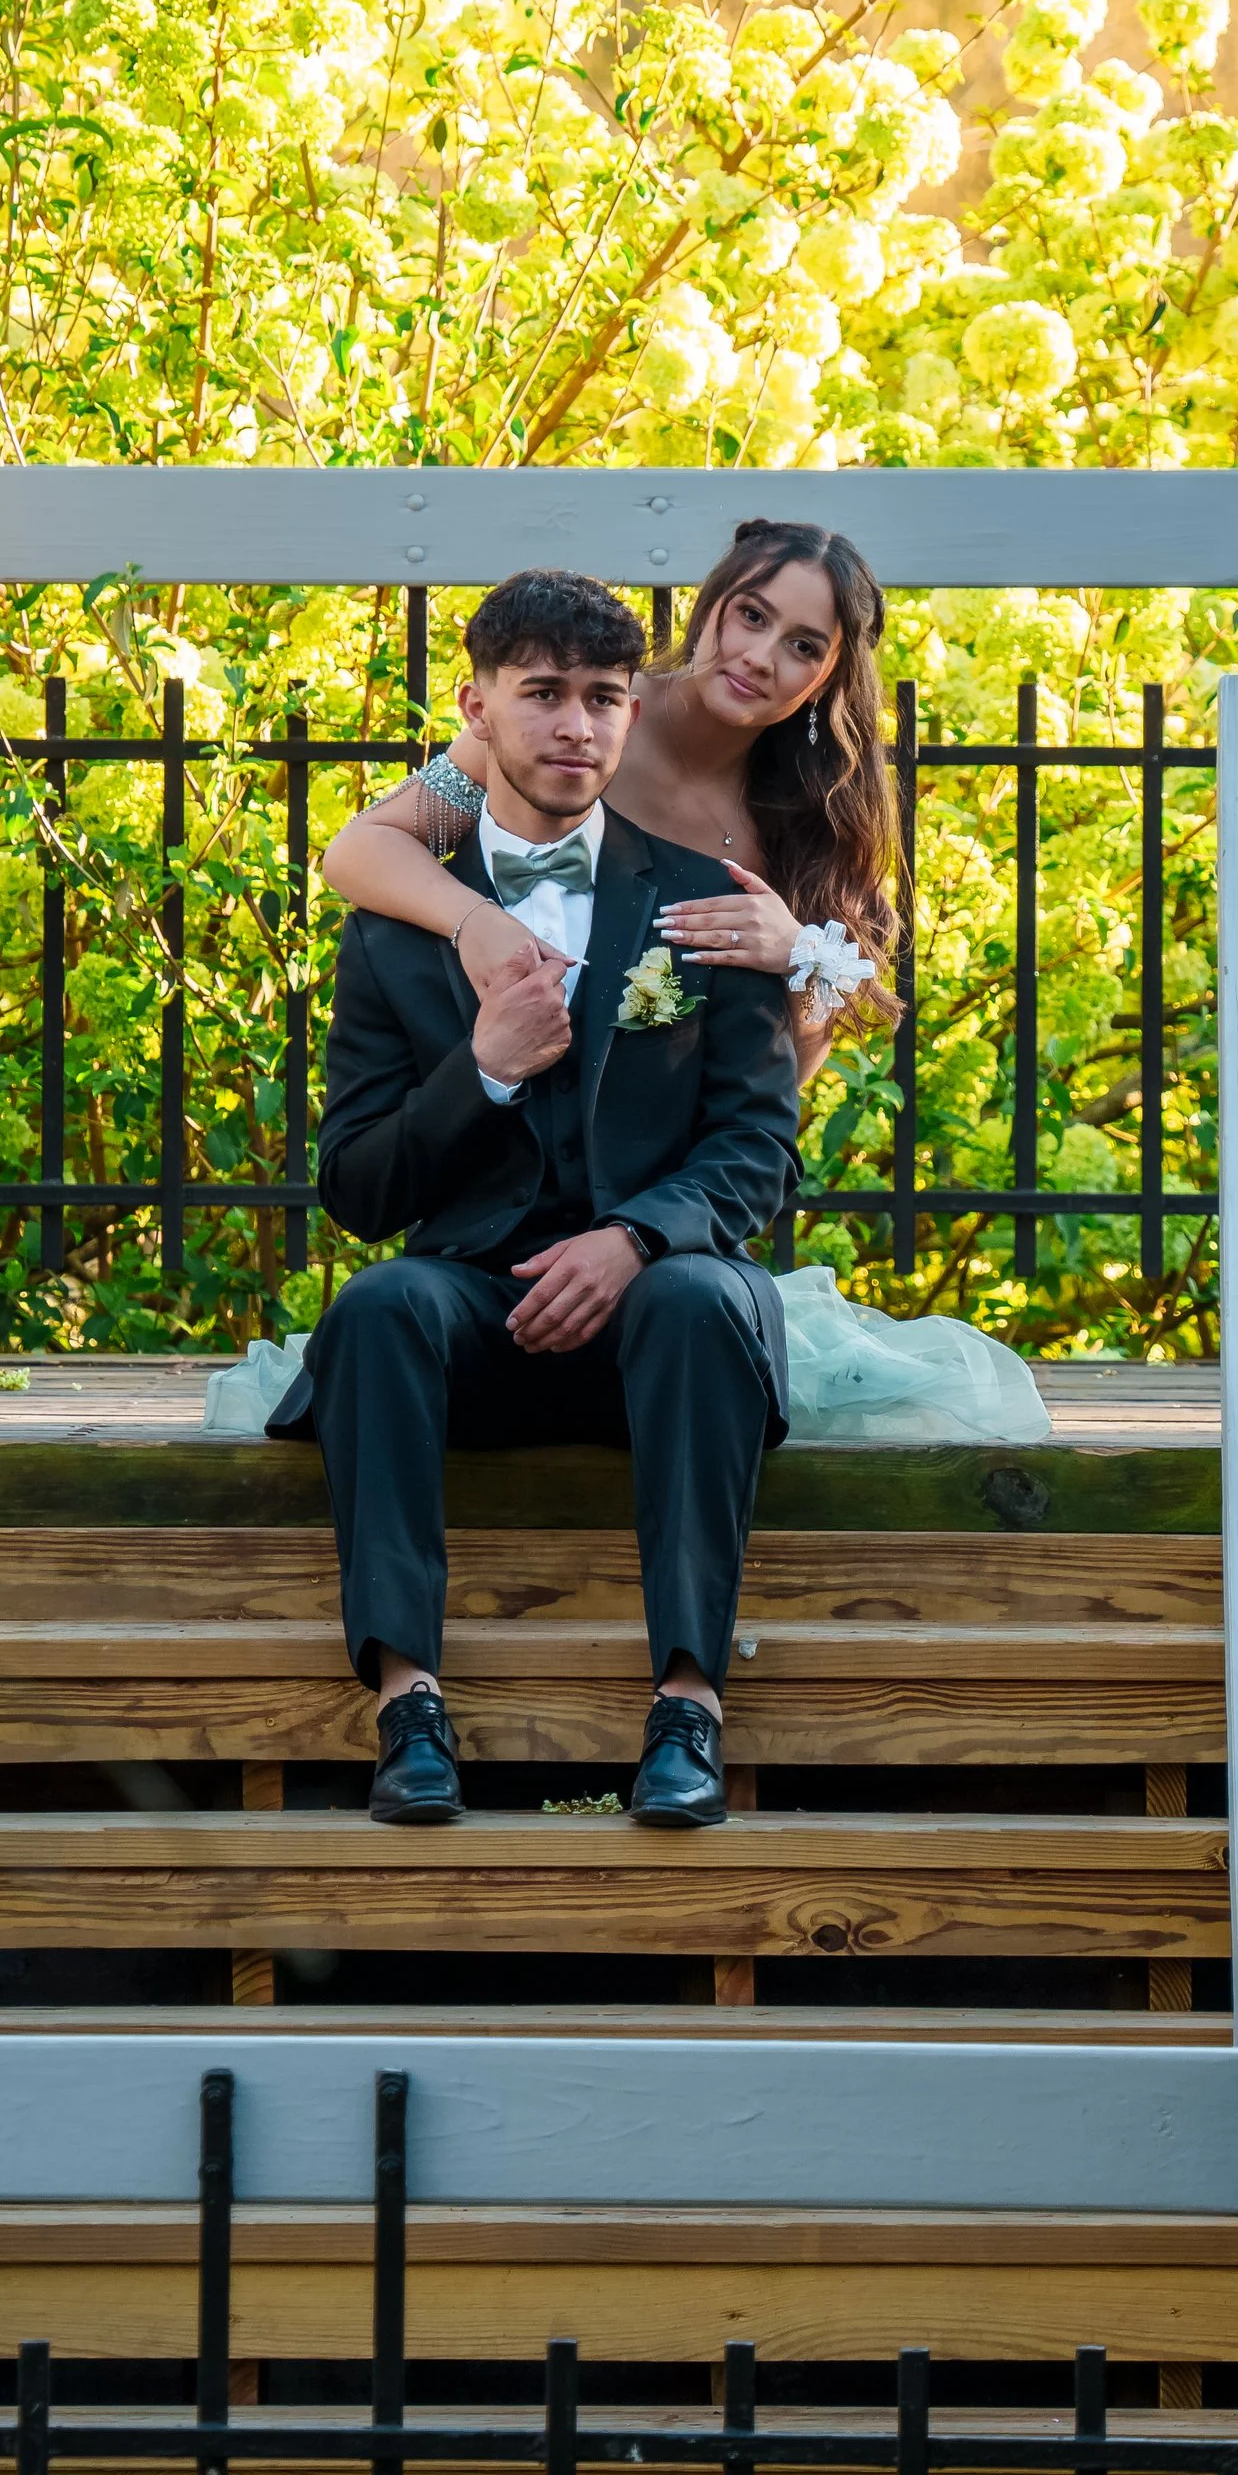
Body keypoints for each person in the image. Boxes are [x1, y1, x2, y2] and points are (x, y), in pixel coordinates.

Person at [266, 568, 804, 1831]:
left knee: (701, 1302)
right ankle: (407, 1704)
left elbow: (759, 1155)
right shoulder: (396, 930)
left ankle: (687, 1709)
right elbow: (355, 1185)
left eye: (605, 698)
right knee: (379, 1306)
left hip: (658, 1311)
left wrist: (630, 1240)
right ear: (478, 706)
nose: (576, 726)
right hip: (480, 1312)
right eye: (544, 694)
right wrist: (485, 1071)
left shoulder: (702, 906)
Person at [322, 515, 900, 1080]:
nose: (760, 656)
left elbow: (785, 1079)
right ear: (710, 604)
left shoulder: (817, 811)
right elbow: (360, 849)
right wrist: (476, 924)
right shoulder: (588, 721)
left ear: (825, 677)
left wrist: (797, 954)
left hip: (675, 1148)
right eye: (751, 616)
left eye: (802, 646)